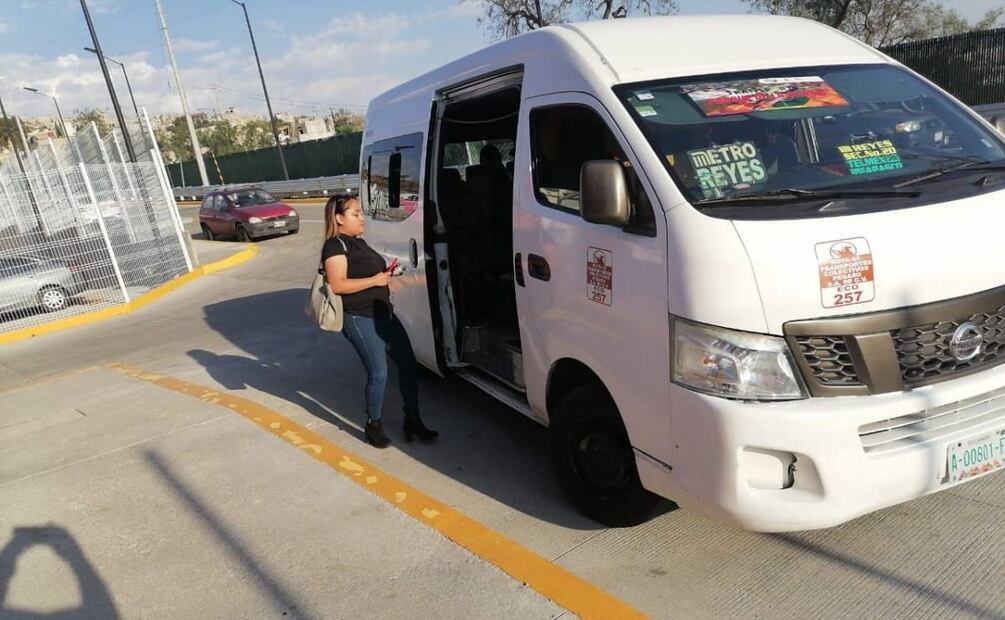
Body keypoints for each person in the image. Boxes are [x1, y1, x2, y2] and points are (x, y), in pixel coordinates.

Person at [321, 195, 438, 448]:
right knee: (379, 373)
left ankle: (413, 420)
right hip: (359, 317)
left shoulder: (358, 242)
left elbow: (369, 272)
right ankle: (373, 424)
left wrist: (386, 274)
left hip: (383, 313)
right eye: (355, 214)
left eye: (361, 213)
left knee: (408, 363)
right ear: (339, 218)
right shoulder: (335, 246)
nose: (362, 217)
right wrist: (375, 281)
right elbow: (338, 284)